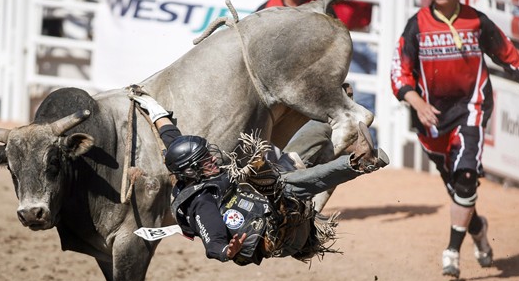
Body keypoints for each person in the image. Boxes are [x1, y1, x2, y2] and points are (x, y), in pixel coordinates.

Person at [390, 0, 519, 279]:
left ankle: (451, 251)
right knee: (457, 190)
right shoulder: (416, 25)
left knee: (465, 178)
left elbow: (509, 56)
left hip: (471, 108)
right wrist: (417, 102)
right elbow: (399, 71)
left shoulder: (477, 21)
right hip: (431, 118)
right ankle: (478, 231)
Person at [131, 87, 389, 266]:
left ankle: (342, 112)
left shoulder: (188, 167)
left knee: (313, 132)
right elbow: (214, 243)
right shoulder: (202, 203)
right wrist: (226, 251)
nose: (211, 157)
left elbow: (170, 135)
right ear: (191, 171)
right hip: (282, 235)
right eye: (205, 160)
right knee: (282, 184)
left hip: (272, 199)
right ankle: (360, 162)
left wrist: (153, 108)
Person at [326, 0, 378, 145]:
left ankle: (366, 146)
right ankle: (363, 147)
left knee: (369, 97)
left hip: (365, 34)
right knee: (361, 96)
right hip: (344, 36)